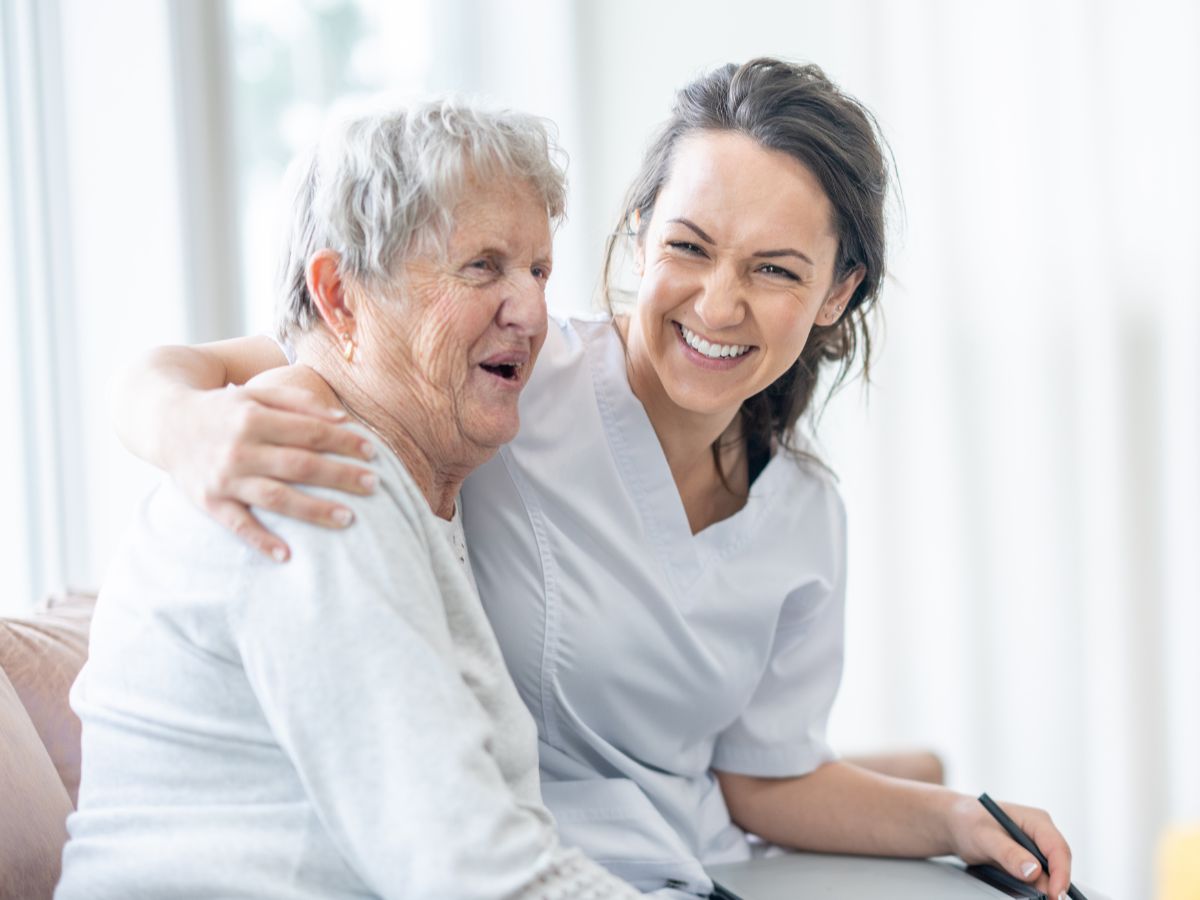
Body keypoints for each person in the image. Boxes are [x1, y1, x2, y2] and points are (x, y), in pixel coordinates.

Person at [111, 60, 1077, 899]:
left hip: (704, 869)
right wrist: (175, 419)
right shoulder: (494, 391)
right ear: (640, 235)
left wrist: (955, 819)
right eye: (689, 246)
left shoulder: (803, 514)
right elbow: (307, 358)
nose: (719, 302)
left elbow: (762, 776)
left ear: (836, 295)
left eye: (776, 270)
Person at [57, 99, 643, 899]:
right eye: (482, 266)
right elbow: (475, 873)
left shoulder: (407, 460)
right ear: (340, 296)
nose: (534, 311)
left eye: (538, 269)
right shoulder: (308, 467)